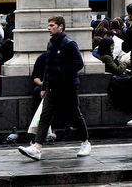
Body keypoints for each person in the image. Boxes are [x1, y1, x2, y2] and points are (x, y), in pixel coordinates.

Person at [17, 15, 90, 161]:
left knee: (75, 114)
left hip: (68, 86)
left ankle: (85, 142)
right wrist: (44, 86)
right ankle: (37, 147)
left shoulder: (69, 43)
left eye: (52, 25)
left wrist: (61, 72)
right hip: (53, 87)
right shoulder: (51, 44)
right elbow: (47, 68)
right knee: (45, 115)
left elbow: (79, 63)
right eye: (48, 25)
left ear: (60, 26)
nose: (48, 28)